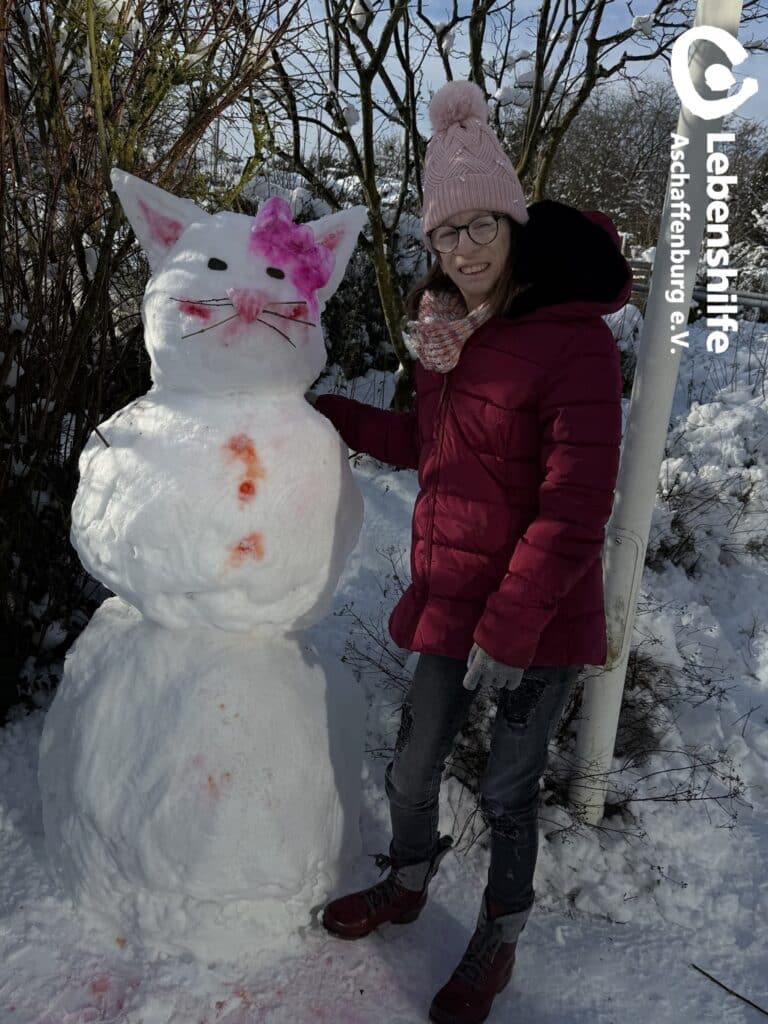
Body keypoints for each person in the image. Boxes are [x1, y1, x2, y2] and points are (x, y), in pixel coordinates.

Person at [312, 80, 631, 1024]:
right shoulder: (447, 336)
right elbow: (433, 447)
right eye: (446, 232)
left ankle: (497, 939)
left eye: (482, 223)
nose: (465, 247)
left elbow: (577, 506)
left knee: (506, 789)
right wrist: (327, 415)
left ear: (512, 221)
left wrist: (512, 625)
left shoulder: (572, 343)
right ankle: (409, 881)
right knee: (412, 769)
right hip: (453, 597)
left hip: (539, 615)